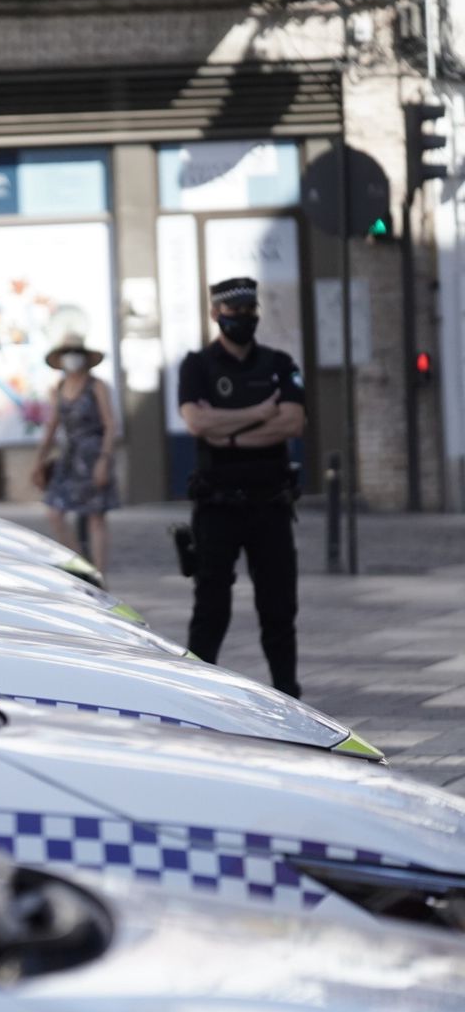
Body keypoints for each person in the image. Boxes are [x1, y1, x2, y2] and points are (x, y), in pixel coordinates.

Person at [178, 276, 306, 698]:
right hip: (217, 506)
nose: (243, 319)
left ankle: (287, 692)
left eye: (250, 311)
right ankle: (195, 693)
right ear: (217, 314)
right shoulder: (197, 366)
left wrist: (227, 431)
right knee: (211, 606)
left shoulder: (279, 363)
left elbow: (292, 422)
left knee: (279, 608)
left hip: (269, 504)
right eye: (234, 312)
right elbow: (197, 424)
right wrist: (260, 412)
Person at [32, 334, 119, 575]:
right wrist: (39, 461)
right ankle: (81, 566)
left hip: (93, 454)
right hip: (69, 455)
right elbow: (52, 426)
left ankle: (99, 575)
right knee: (54, 511)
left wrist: (104, 459)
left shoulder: (96, 386)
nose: (72, 358)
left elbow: (110, 424)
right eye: (67, 353)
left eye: (76, 353)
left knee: (95, 516)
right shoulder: (59, 387)